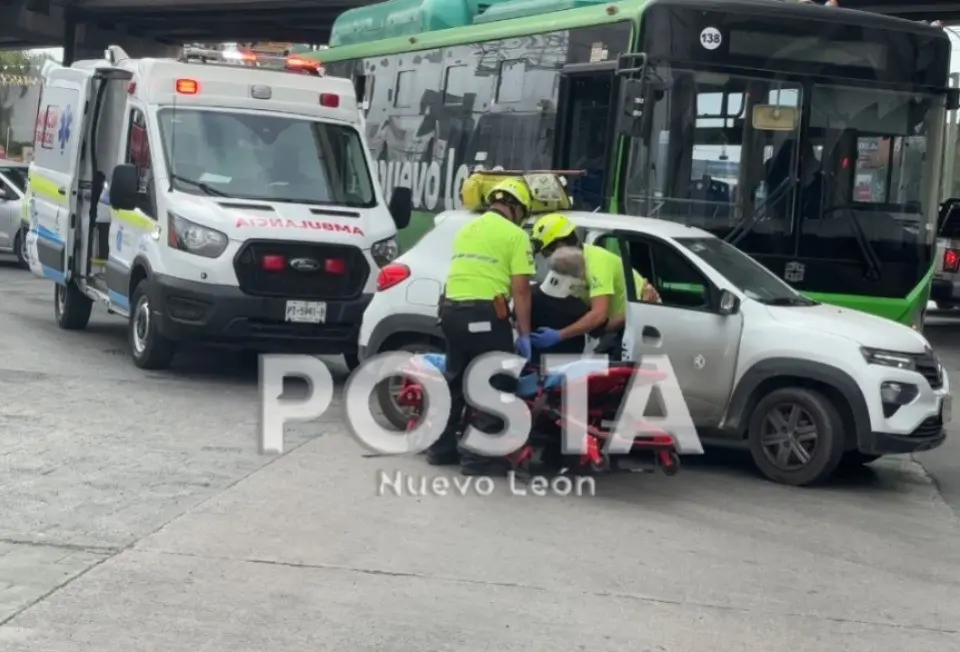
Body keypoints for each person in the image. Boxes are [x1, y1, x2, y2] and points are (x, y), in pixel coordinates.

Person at [426, 178, 536, 475]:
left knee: (456, 379)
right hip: (485, 314)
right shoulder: (515, 236)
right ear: (515, 207)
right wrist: (525, 335)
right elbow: (522, 289)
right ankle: (477, 457)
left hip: (451, 311)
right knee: (495, 381)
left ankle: (440, 447)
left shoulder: (466, 229)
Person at [527, 213, 659, 356]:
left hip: (640, 319)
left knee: (606, 369)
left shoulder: (596, 263)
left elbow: (599, 316)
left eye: (547, 253)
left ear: (560, 246)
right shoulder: (569, 266)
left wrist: (560, 335)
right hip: (613, 323)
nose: (547, 259)